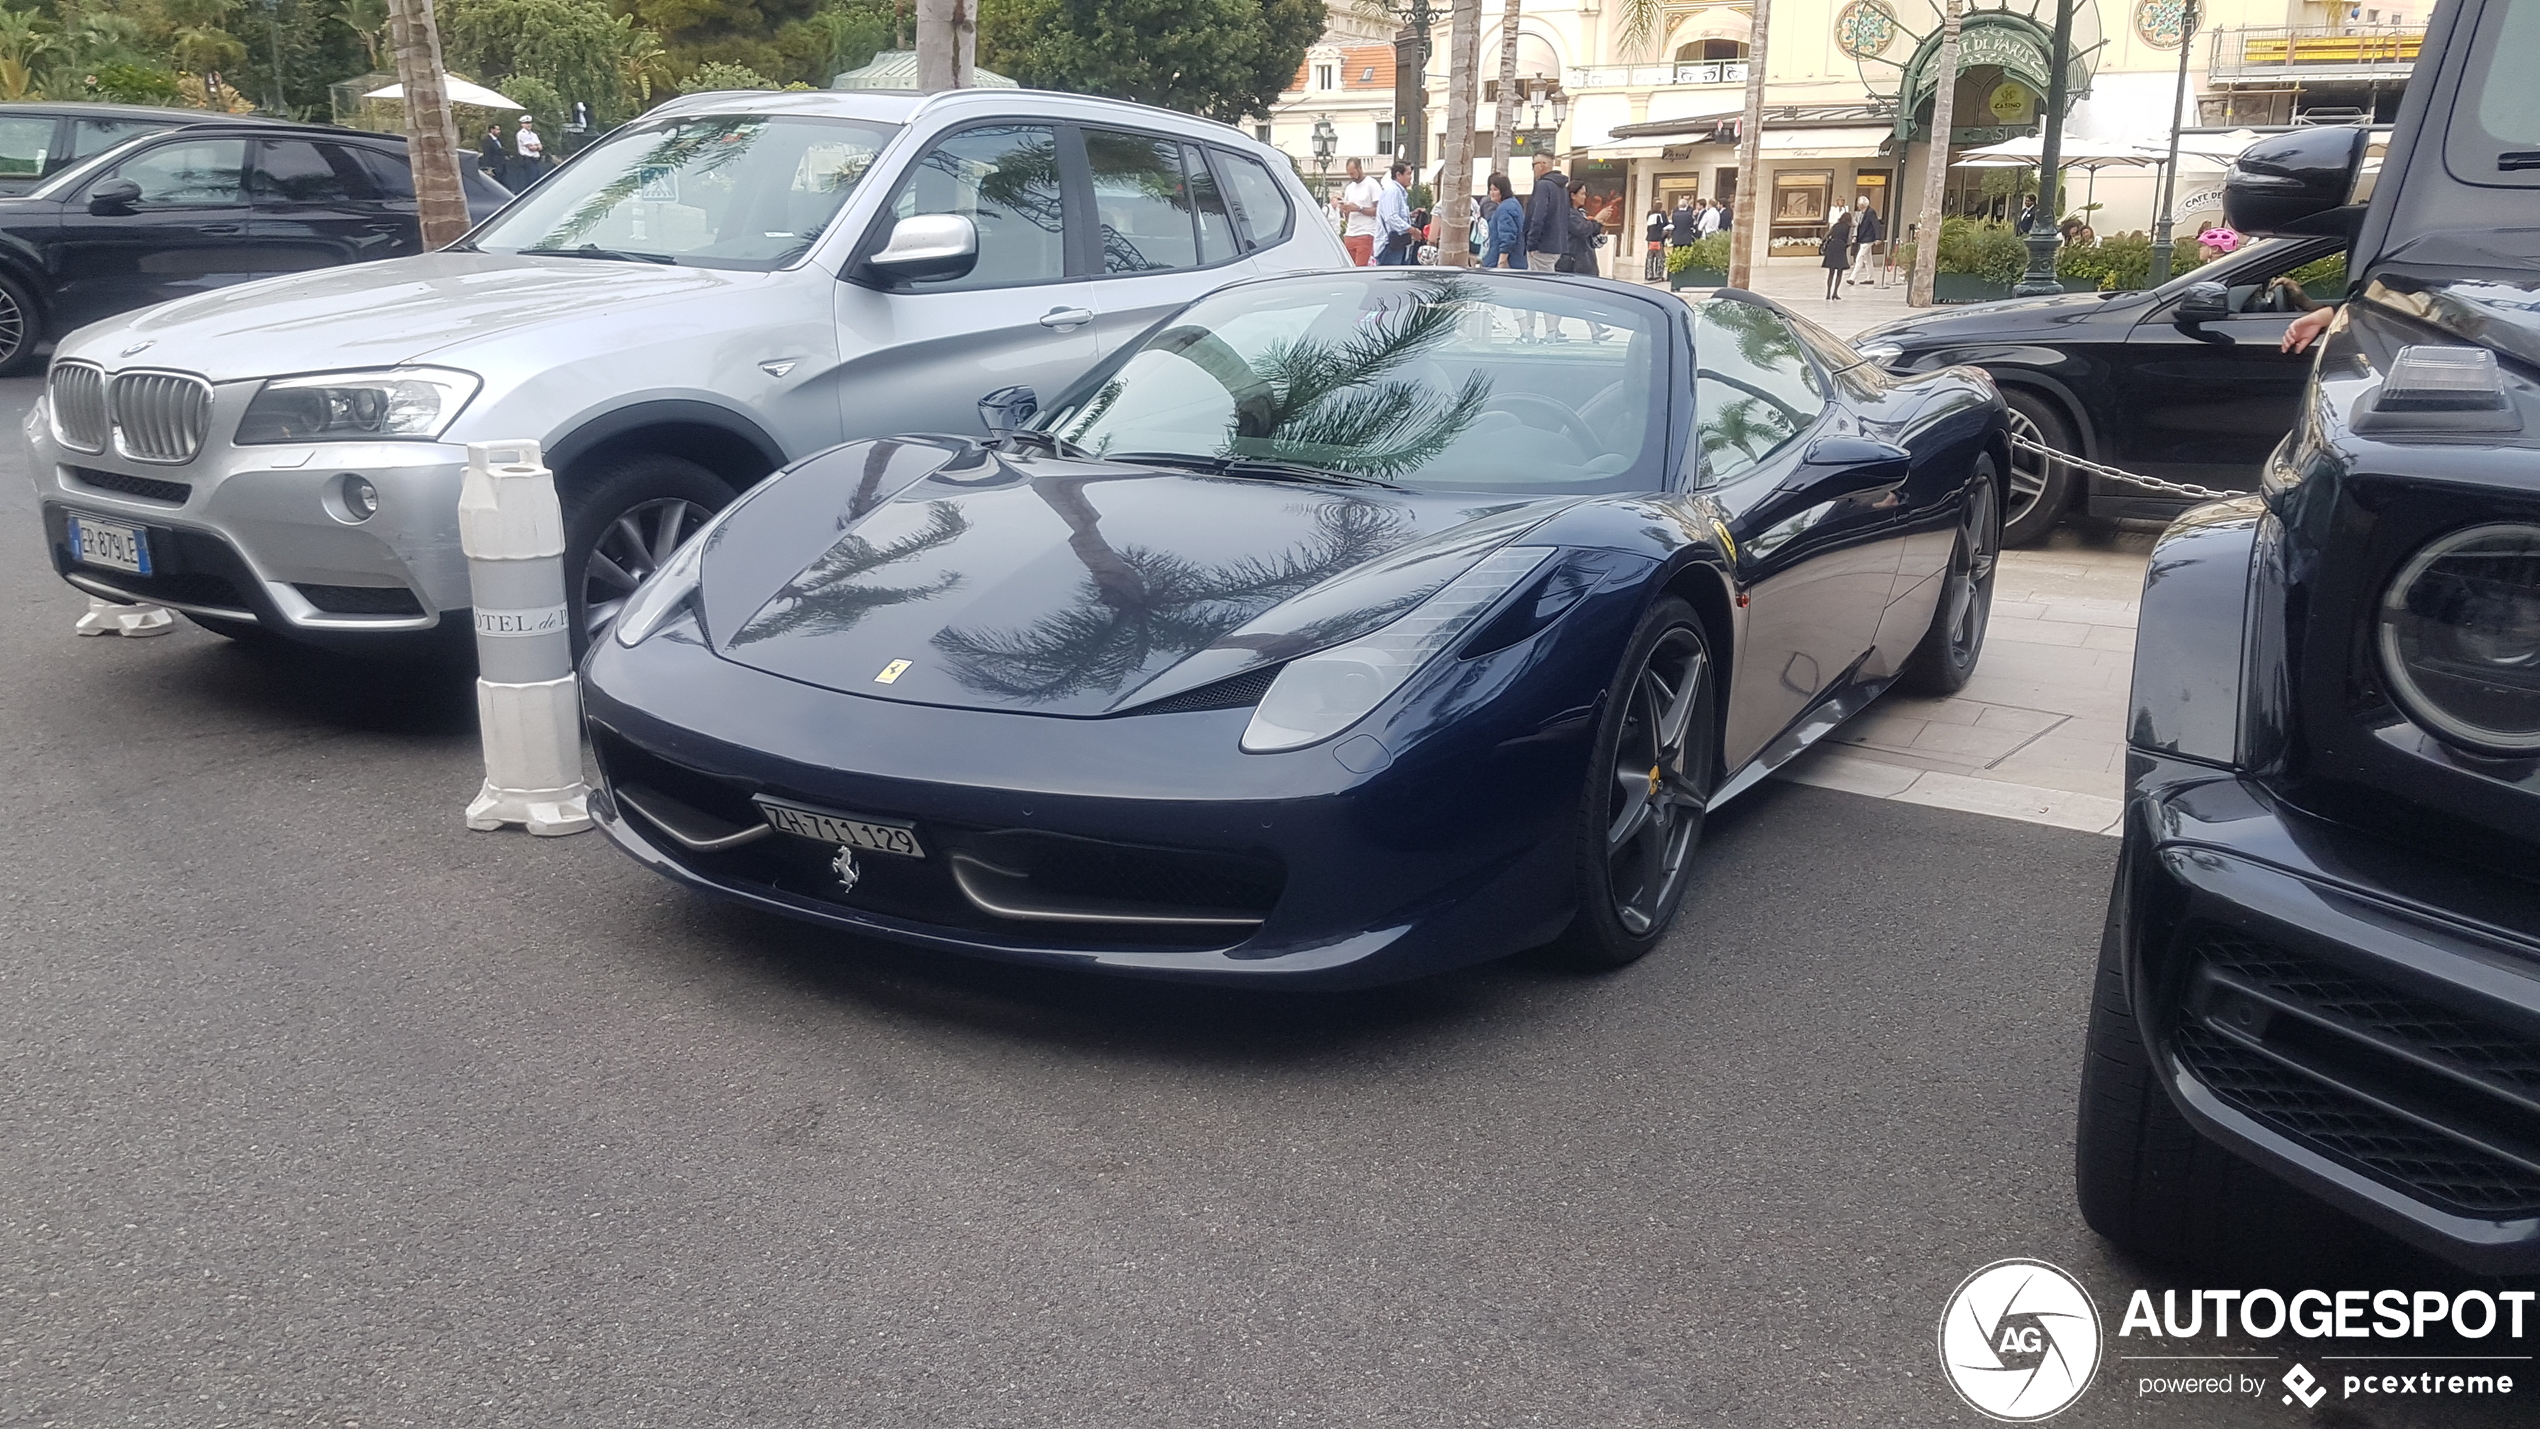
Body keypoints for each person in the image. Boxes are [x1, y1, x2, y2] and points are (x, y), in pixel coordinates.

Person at [1522, 153, 1569, 277]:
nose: (1533, 169)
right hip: (1556, 245)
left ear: (1542, 165)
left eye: (1534, 165)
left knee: (1540, 284)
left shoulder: (1543, 185)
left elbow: (1538, 216)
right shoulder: (1561, 187)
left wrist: (1531, 243)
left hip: (1542, 246)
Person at [1337, 159, 1380, 266]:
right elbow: (1346, 213)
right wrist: (1344, 209)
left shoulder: (1371, 184)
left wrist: (1359, 208)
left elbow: (1379, 210)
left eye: (1353, 173)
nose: (1351, 176)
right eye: (1349, 174)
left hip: (1366, 232)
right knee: (1349, 268)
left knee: (1360, 267)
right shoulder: (1349, 188)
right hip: (1350, 233)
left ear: (1360, 168)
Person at [1479, 172, 1525, 271]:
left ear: (1503, 190)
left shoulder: (1505, 208)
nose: (1492, 193)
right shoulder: (1513, 204)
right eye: (1490, 189)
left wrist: (1501, 263)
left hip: (1504, 263)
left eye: (1495, 189)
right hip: (1514, 260)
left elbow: (1507, 237)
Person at [1375, 161, 1416, 265]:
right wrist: (1411, 230)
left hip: (1396, 243)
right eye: (1408, 174)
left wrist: (1410, 215)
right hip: (1389, 245)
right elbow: (1391, 217)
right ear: (1398, 175)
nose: (1410, 177)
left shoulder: (1398, 192)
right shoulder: (1393, 191)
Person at [1846, 195, 1883, 285]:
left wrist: (1878, 237)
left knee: (1860, 257)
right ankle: (1870, 277)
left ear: (1862, 205)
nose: (1858, 205)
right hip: (1864, 238)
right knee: (1867, 259)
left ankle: (1852, 277)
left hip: (1868, 239)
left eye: (1859, 204)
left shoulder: (1870, 212)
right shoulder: (1861, 213)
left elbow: (1876, 225)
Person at [1820, 205, 1854, 300]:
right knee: (1839, 272)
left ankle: (1828, 293)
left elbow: (1826, 236)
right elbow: (1849, 240)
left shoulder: (1835, 226)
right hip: (1840, 247)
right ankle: (1835, 292)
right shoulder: (1849, 227)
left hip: (1832, 246)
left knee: (1831, 272)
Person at [512, 114, 543, 188]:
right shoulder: (522, 134)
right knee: (531, 179)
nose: (528, 125)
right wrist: (537, 146)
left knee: (537, 178)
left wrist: (537, 147)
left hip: (535, 160)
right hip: (527, 159)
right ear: (522, 124)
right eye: (526, 123)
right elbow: (531, 148)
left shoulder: (533, 134)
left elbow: (540, 146)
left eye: (529, 123)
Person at [1644, 204, 1667, 280]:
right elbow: (1661, 227)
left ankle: (1649, 274)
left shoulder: (1650, 216)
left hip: (1650, 239)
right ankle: (1659, 274)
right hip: (1657, 239)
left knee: (1650, 258)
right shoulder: (1658, 216)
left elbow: (1648, 229)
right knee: (1660, 258)